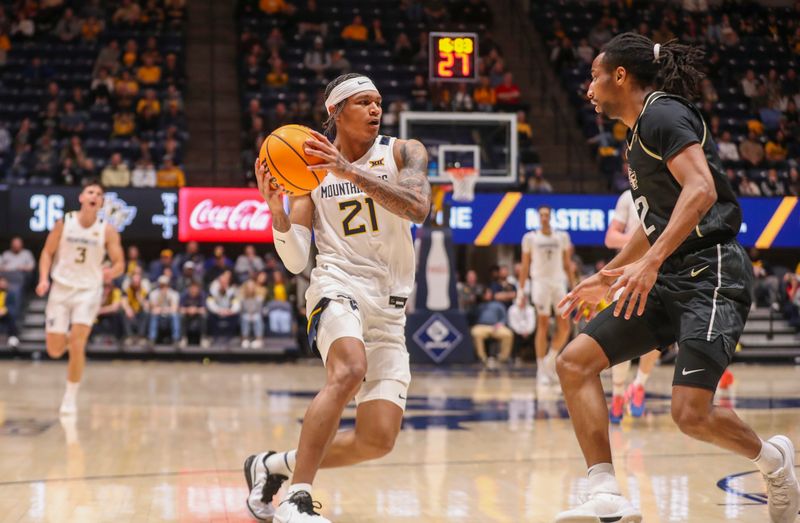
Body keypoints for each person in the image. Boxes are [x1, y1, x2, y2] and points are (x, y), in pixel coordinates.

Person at [555, 33, 798, 522]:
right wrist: (613, 272)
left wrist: (647, 264)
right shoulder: (640, 129)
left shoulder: (663, 115)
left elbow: (701, 190)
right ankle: (606, 491)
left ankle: (774, 462)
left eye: (594, 76)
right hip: (672, 273)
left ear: (619, 76)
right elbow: (659, 222)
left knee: (690, 414)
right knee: (574, 363)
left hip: (711, 273)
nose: (588, 88)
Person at [244, 73, 431, 523]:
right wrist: (278, 215)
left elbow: (418, 207)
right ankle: (297, 498)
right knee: (348, 370)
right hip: (337, 283)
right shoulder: (309, 173)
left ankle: (270, 466)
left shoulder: (405, 151)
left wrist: (349, 171)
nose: (375, 110)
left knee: (377, 439)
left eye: (378, 102)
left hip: (390, 307)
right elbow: (294, 261)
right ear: (335, 112)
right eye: (363, 102)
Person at [36, 181, 124, 415]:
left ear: (101, 203)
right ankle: (64, 334)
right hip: (61, 288)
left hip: (88, 290)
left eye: (99, 194)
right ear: (81, 198)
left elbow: (119, 264)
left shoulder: (107, 230)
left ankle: (70, 396)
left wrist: (110, 273)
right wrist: (44, 279)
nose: (95, 195)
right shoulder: (64, 222)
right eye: (91, 192)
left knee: (78, 343)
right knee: (54, 350)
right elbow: (47, 252)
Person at [604, 189, 661, 423]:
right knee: (623, 338)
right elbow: (610, 238)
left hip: (659, 272)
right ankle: (618, 394)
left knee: (657, 336)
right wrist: (641, 242)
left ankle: (638, 385)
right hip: (627, 272)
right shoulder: (628, 196)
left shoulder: (670, 191)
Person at [517, 205, 575, 386]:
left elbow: (567, 264)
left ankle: (550, 361)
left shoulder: (562, 236)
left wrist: (573, 288)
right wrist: (520, 290)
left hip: (558, 282)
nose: (544, 217)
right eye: (541, 215)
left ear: (550, 217)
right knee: (542, 323)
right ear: (538, 217)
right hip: (540, 282)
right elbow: (525, 265)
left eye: (546, 215)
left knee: (565, 326)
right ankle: (541, 369)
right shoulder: (530, 238)